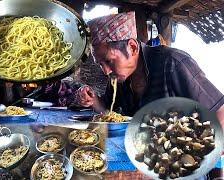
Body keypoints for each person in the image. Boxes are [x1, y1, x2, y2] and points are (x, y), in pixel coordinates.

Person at [77, 11, 224, 128]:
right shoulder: (118, 78)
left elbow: (220, 113)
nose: (106, 71)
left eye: (109, 61)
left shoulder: (173, 63)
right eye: (100, 64)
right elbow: (110, 115)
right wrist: (94, 101)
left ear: (132, 47)